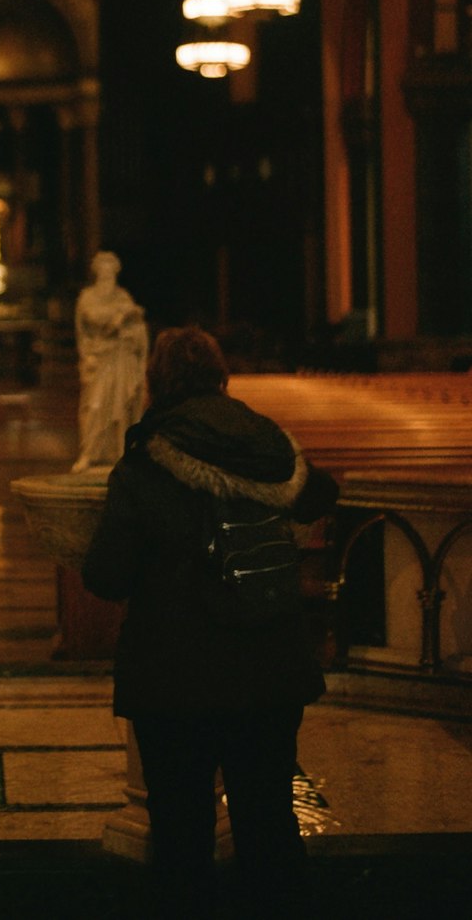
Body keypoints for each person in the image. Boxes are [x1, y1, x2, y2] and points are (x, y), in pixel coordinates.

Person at [81, 325, 338, 919]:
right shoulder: (266, 442)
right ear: (221, 376)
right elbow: (319, 494)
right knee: (269, 822)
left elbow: (107, 575)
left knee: (181, 834)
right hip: (269, 667)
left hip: (177, 678)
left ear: (155, 381)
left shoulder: (147, 460)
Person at [72, 250, 148, 472]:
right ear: (97, 271)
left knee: (121, 407)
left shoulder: (122, 296)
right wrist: (119, 317)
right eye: (103, 268)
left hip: (120, 357)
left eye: (111, 268)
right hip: (98, 359)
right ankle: (90, 453)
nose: (107, 273)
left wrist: (128, 323)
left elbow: (136, 325)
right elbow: (92, 318)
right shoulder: (88, 297)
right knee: (95, 406)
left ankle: (119, 452)